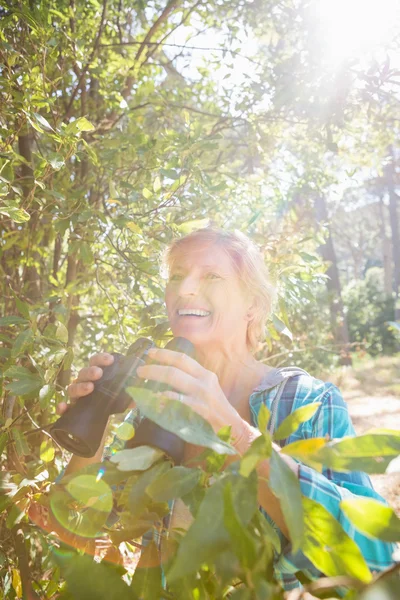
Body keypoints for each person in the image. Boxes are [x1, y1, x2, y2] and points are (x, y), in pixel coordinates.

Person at [58, 227, 396, 591]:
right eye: (176, 275)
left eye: (211, 276)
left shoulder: (307, 401)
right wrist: (94, 425)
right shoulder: (157, 403)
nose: (185, 288)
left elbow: (373, 556)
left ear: (252, 305)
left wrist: (236, 434)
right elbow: (82, 519)